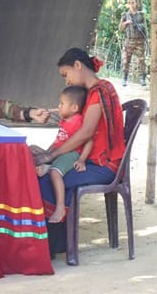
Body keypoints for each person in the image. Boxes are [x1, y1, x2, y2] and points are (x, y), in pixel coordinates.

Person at [34, 47, 125, 254]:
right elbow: (73, 128)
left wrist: (51, 155)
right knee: (45, 170)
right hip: (90, 160)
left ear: (77, 65)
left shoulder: (100, 91)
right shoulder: (92, 93)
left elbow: (85, 133)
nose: (67, 81)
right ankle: (58, 243)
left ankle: (53, 245)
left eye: (66, 74)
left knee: (47, 178)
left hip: (104, 165)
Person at [34, 85, 91, 223]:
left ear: (74, 108)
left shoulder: (78, 120)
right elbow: (58, 141)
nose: (59, 106)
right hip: (59, 152)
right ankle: (46, 167)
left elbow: (89, 141)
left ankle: (60, 208)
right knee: (32, 149)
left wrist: (82, 159)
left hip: (72, 154)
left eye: (62, 104)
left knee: (55, 172)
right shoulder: (65, 121)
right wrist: (47, 153)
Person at [119, 0, 147, 87]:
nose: (131, 4)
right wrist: (126, 22)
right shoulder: (125, 15)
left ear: (136, 3)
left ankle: (143, 78)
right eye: (129, 2)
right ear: (128, 4)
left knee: (141, 60)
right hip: (129, 40)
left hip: (139, 41)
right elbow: (120, 28)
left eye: (133, 2)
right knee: (126, 60)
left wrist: (146, 39)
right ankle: (124, 78)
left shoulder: (141, 15)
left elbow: (145, 28)